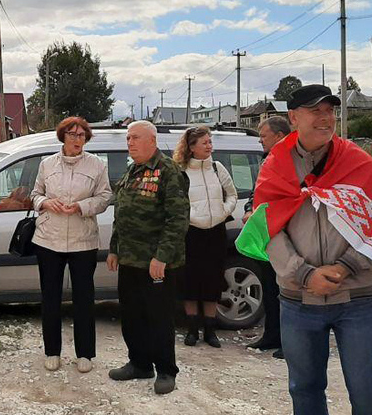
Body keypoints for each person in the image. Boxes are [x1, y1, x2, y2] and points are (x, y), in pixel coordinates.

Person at [259, 85, 372, 415]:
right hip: (299, 300)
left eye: (329, 110)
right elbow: (267, 229)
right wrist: (303, 275)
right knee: (304, 386)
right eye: (313, 110)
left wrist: (346, 265)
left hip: (357, 298)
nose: (324, 117)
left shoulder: (358, 161)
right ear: (293, 118)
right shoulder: (276, 165)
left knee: (366, 385)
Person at [106, 121, 189, 395]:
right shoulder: (133, 170)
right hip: (130, 259)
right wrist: (115, 248)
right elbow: (122, 213)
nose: (129, 142)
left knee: (159, 316)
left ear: (151, 140)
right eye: (128, 138)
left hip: (155, 262)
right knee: (132, 315)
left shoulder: (168, 171)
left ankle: (166, 370)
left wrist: (161, 257)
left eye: (135, 138)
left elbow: (177, 219)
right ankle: (139, 363)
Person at [30, 117, 112, 373]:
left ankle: (85, 354)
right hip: (49, 239)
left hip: (83, 240)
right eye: (72, 134)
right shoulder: (47, 164)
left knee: (84, 299)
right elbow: (35, 194)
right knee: (51, 298)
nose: (77, 139)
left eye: (82, 135)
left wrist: (81, 206)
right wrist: (45, 203)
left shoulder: (97, 165)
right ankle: (52, 351)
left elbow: (105, 196)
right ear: (62, 136)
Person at [172, 126, 237, 349]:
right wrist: (189, 217)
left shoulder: (218, 168)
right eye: (205, 143)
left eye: (210, 142)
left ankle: (210, 331)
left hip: (216, 232)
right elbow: (175, 202)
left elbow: (232, 193)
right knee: (190, 281)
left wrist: (224, 211)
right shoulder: (180, 171)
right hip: (191, 233)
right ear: (191, 147)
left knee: (212, 281)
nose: (210, 146)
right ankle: (192, 330)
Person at [244, 115, 291, 358]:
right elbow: (258, 191)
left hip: (286, 234)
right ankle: (271, 335)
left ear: (279, 136)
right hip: (266, 233)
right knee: (271, 288)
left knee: (288, 292)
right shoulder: (268, 159)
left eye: (263, 136)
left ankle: (290, 341)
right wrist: (250, 210)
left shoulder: (294, 160)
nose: (260, 141)